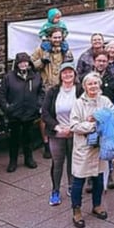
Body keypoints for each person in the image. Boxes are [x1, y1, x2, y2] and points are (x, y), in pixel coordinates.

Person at [69, 72, 114, 228]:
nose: (93, 86)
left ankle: (97, 205)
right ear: (84, 86)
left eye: (96, 83)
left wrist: (97, 118)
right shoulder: (78, 103)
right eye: (90, 84)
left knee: (98, 178)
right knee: (79, 180)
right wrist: (94, 125)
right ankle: (76, 210)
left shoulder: (105, 101)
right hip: (84, 148)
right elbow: (74, 126)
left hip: (101, 147)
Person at [41, 62, 83, 206]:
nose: (67, 75)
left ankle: (72, 186)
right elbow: (45, 112)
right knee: (57, 163)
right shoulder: (53, 91)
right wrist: (57, 127)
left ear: (75, 74)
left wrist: (75, 127)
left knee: (73, 161)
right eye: (64, 72)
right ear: (60, 75)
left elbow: (85, 108)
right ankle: (55, 190)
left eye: (70, 72)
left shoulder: (80, 89)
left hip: (75, 132)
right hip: (57, 133)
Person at [0, 52, 44, 173]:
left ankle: (29, 159)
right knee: (14, 139)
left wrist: (37, 105)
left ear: (29, 63)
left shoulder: (36, 76)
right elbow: (2, 94)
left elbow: (41, 92)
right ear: (17, 64)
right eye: (21, 62)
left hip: (29, 113)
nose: (23, 64)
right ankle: (13, 161)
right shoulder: (8, 77)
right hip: (14, 114)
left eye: (26, 62)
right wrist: (7, 108)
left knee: (28, 137)